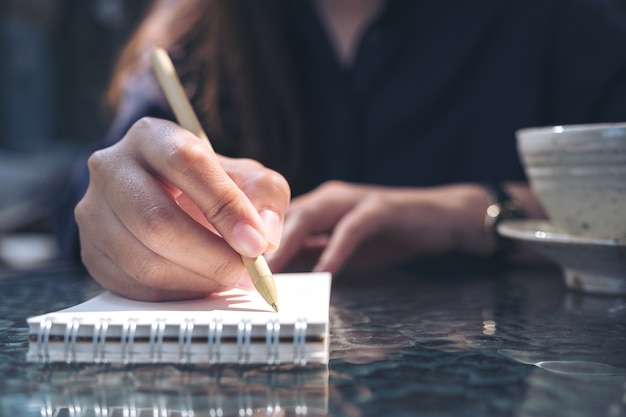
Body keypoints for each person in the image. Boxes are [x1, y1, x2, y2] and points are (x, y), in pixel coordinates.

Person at [55, 0, 626, 300]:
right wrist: (125, 210)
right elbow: (87, 195)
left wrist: (478, 214)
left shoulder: (568, 20)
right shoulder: (197, 31)